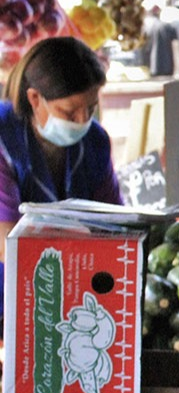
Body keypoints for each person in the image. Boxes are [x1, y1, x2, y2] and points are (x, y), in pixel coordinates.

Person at [0, 36, 122, 307]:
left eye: (90, 109)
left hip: (76, 294)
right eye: (69, 112)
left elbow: (113, 221)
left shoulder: (95, 141)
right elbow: (5, 240)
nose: (82, 121)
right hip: (8, 294)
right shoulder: (3, 136)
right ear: (34, 98)